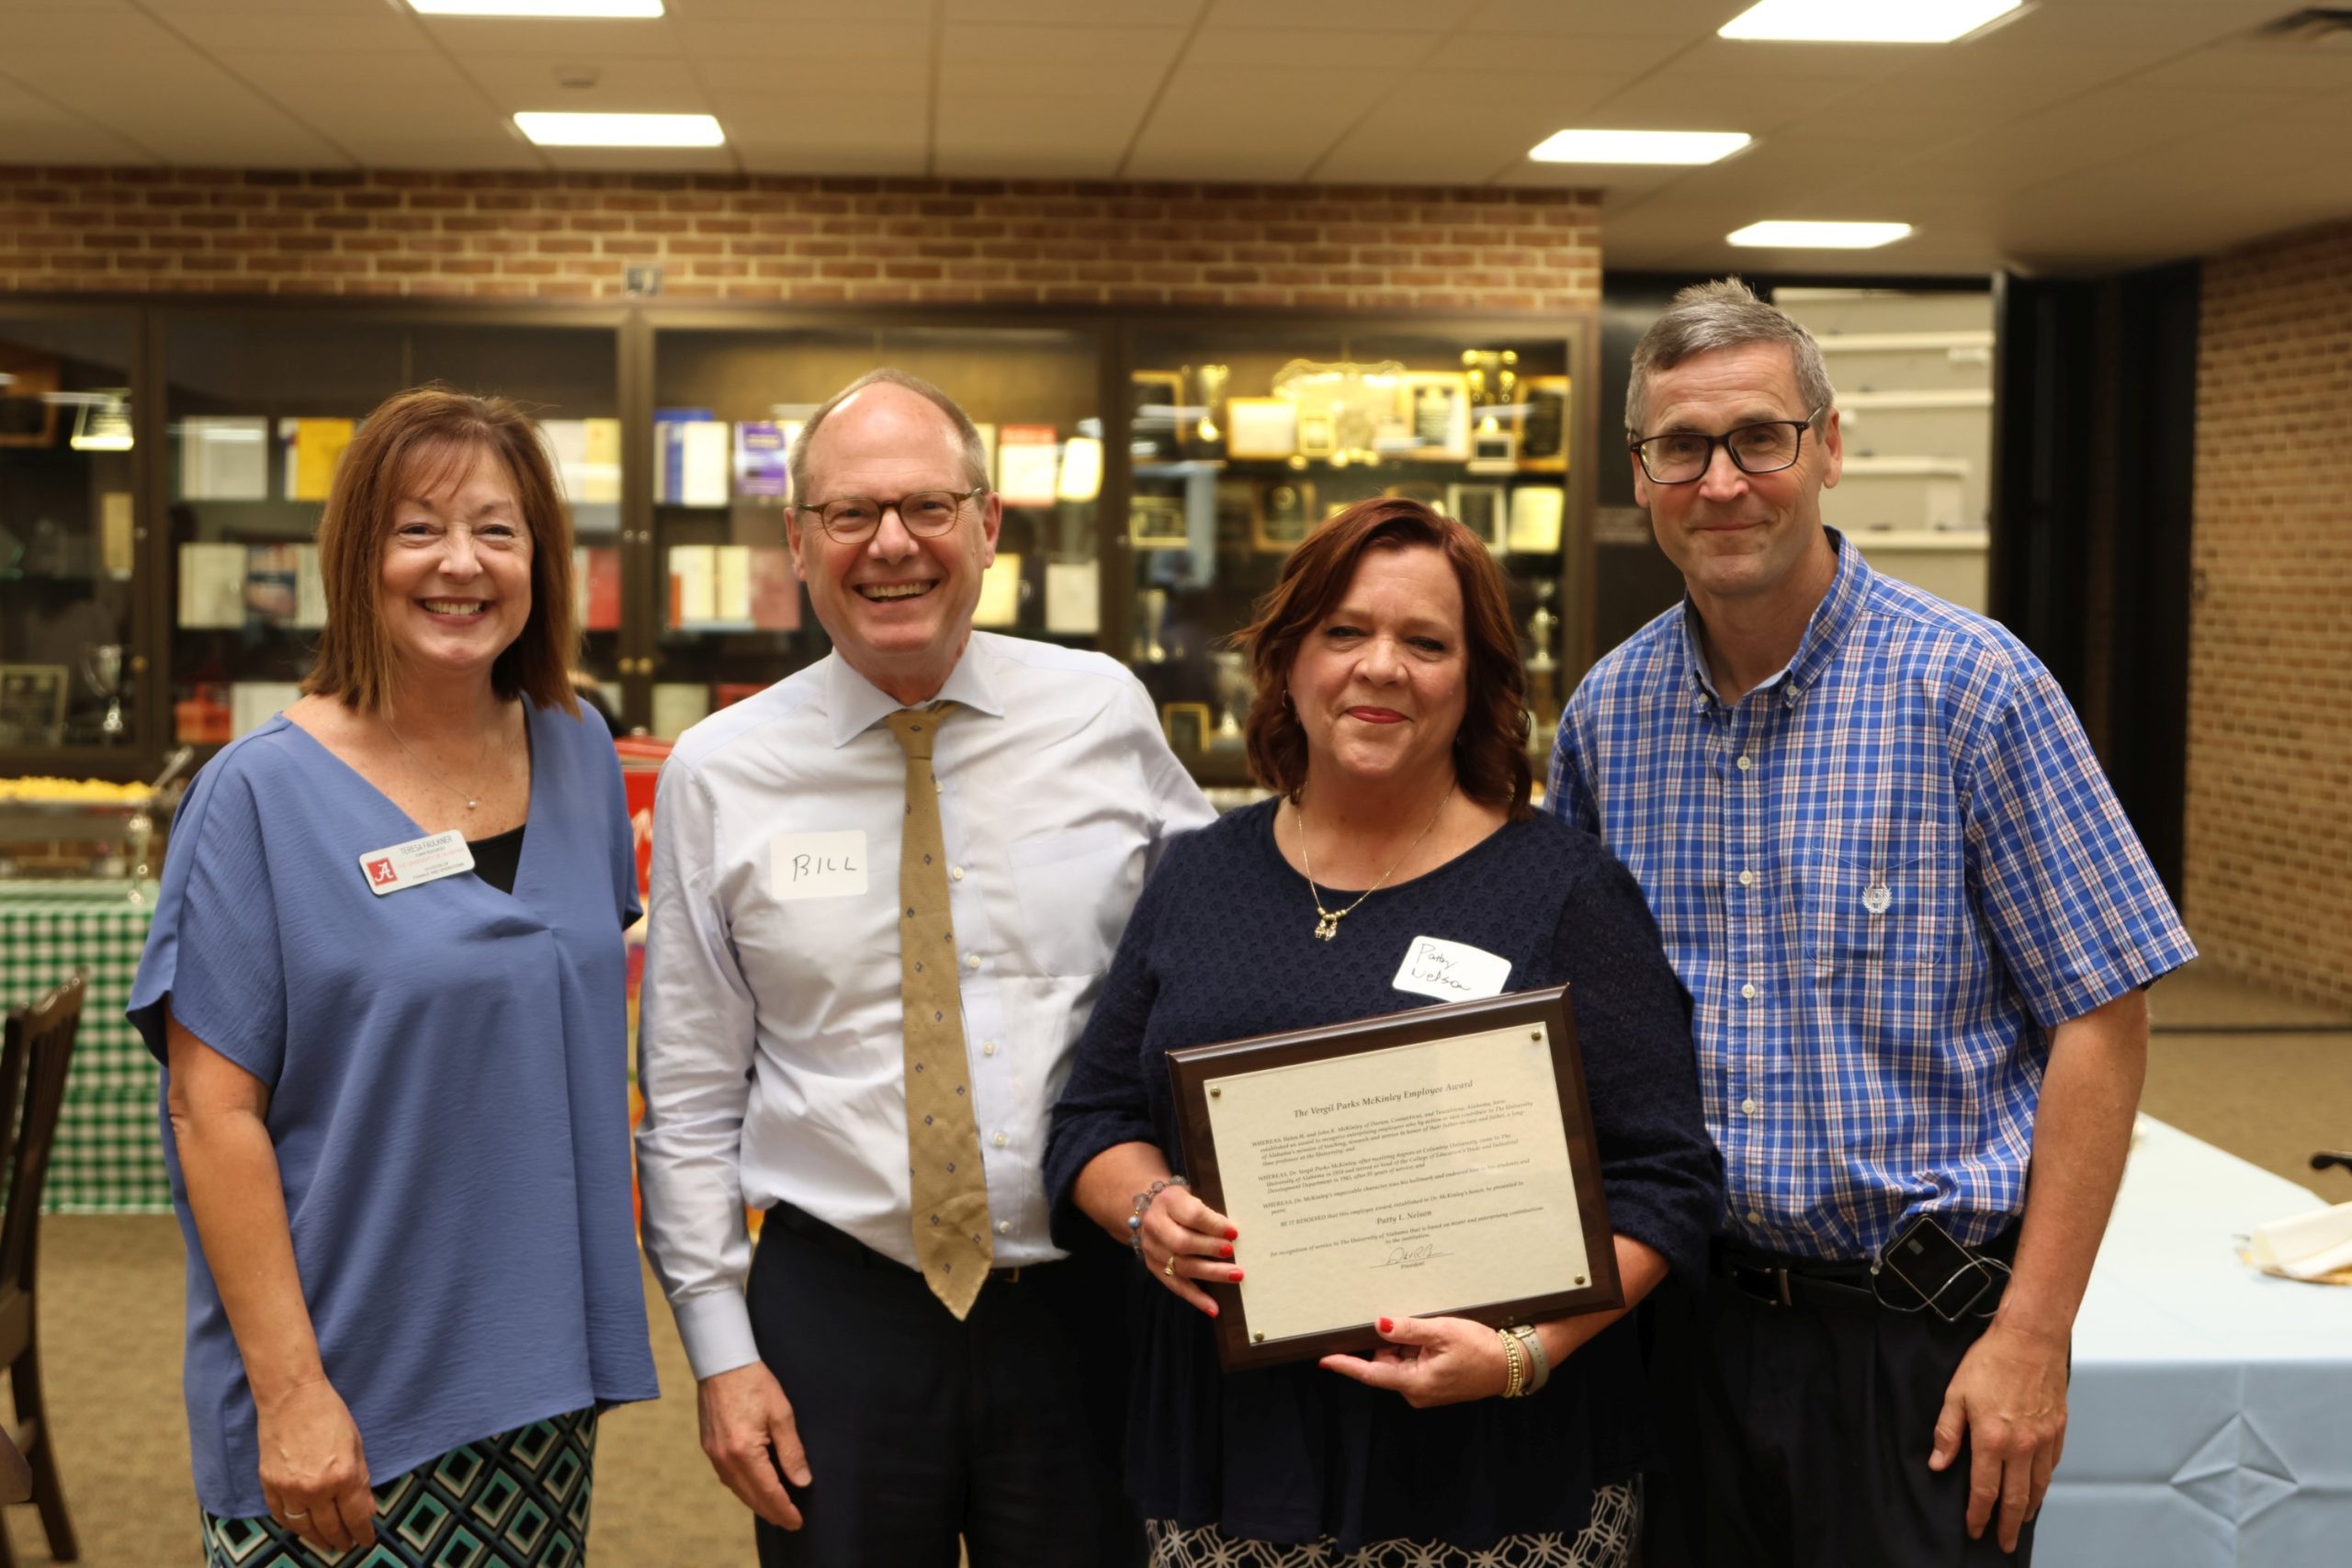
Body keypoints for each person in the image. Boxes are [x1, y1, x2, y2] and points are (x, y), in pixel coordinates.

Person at [1549, 278, 2198, 1566]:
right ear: (1642, 475)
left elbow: (2102, 1015)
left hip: (1920, 1344)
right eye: (1683, 447)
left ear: (1828, 446)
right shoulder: (1607, 719)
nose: (1723, 480)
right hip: (1684, 1334)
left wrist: (2033, 1332)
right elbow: (1569, 1028)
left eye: (1760, 437)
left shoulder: (1977, 690)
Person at [1046, 499, 1723, 1567]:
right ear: (1288, 659)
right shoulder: (1201, 875)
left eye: (1426, 642)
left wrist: (1520, 1356)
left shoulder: (1562, 890)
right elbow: (1091, 1117)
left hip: (1494, 1454)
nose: (1380, 669)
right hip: (1238, 1449)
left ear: (1478, 680)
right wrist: (1144, 1209)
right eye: (1345, 632)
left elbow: (1665, 1179)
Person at [635, 367, 1215, 1566]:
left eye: (927, 507)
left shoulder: (1103, 711)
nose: (890, 543)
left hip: (1086, 1302)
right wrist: (719, 1349)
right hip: (838, 1308)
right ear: (798, 540)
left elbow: (1219, 964)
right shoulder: (719, 769)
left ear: (989, 524)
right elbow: (688, 1093)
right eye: (849, 513)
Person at [128, 388, 658, 1565]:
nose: (459, 564)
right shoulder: (256, 795)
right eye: (417, 529)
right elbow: (211, 1115)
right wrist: (291, 1393)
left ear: (540, 561)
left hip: (536, 1379)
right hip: (341, 1404)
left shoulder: (576, 753)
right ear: (357, 559)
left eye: (497, 529)